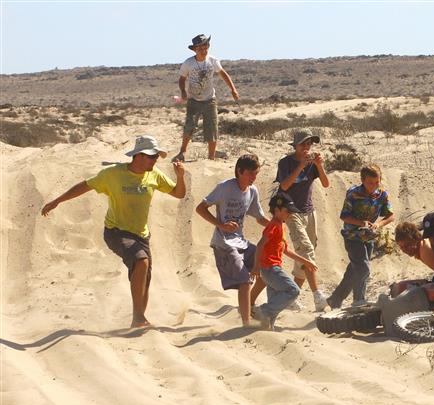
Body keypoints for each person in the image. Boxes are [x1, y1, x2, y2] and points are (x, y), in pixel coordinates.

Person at [41, 136, 186, 328]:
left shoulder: (154, 175)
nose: (155, 160)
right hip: (116, 231)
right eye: (152, 156)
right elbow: (85, 186)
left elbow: (179, 194)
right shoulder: (113, 174)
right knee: (141, 261)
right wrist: (57, 201)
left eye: (157, 156)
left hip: (141, 234)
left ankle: (139, 318)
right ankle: (138, 318)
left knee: (144, 276)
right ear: (138, 156)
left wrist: (181, 176)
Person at [195, 154, 269, 326]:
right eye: (251, 173)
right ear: (239, 171)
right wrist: (220, 224)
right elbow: (201, 208)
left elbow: (259, 217)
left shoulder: (252, 191)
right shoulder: (225, 187)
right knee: (245, 280)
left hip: (240, 242)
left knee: (268, 269)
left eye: (256, 174)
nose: (254, 178)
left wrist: (277, 226)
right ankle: (246, 324)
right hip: (223, 244)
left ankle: (248, 305)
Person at [276, 129, 330, 312]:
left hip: (309, 211)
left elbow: (325, 184)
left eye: (309, 144)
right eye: (303, 144)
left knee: (306, 253)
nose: (307, 147)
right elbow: (284, 185)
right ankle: (317, 295)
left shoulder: (312, 164)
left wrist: (319, 165)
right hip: (290, 211)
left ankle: (291, 296)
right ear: (296, 146)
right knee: (305, 250)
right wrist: (300, 166)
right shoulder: (286, 162)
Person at [327, 164, 395, 309]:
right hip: (352, 236)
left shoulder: (382, 194)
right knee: (363, 269)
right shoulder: (353, 193)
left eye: (377, 182)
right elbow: (344, 216)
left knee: (354, 270)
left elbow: (390, 216)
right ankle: (359, 300)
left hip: (369, 237)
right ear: (363, 180)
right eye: (371, 183)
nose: (374, 186)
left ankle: (335, 299)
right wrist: (361, 222)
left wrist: (379, 224)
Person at [252, 193, 318, 330]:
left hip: (272, 268)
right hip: (270, 269)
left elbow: (286, 251)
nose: (289, 214)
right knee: (293, 290)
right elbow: (260, 244)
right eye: (287, 211)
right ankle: (262, 311)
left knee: (275, 301)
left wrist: (305, 261)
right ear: (277, 210)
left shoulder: (280, 226)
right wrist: (256, 267)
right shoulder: (274, 225)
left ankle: (267, 327)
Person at [173, 34, 240, 162]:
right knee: (190, 125)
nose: (203, 51)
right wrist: (183, 92)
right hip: (194, 100)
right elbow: (182, 79)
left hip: (210, 99)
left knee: (212, 127)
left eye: (205, 48)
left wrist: (233, 89)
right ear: (195, 50)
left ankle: (211, 156)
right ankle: (182, 152)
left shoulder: (213, 61)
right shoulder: (188, 63)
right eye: (200, 49)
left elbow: (223, 74)